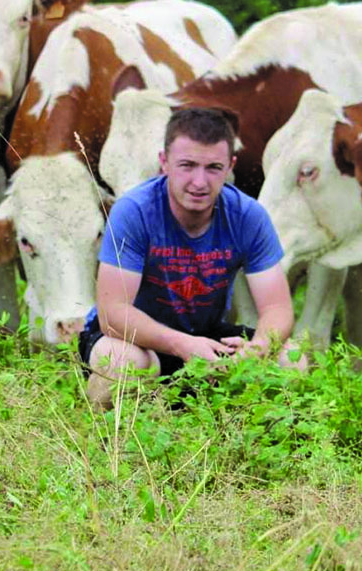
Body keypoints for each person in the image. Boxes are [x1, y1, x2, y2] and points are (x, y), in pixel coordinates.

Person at [80, 106, 304, 408]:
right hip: (136, 338)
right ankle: (107, 446)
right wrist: (182, 344)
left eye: (213, 167)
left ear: (230, 167)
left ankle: (253, 446)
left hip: (205, 335)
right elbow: (113, 315)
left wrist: (258, 348)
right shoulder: (134, 211)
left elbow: (277, 307)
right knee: (123, 361)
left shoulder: (248, 216)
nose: (199, 182)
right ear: (164, 163)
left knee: (292, 359)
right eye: (187, 165)